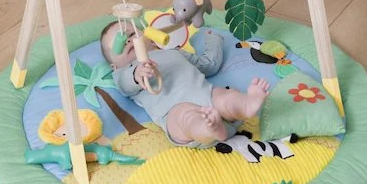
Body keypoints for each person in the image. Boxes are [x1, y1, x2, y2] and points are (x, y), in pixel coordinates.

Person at [100, 21, 270, 148]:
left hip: (206, 95)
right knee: (185, 117)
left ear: (150, 39)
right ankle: (209, 128)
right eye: (118, 45)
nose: (128, 42)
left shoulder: (173, 53)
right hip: (173, 110)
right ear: (114, 66)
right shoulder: (124, 72)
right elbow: (125, 84)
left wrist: (214, 40)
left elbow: (208, 65)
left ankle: (245, 105)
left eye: (131, 35)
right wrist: (136, 74)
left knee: (224, 96)